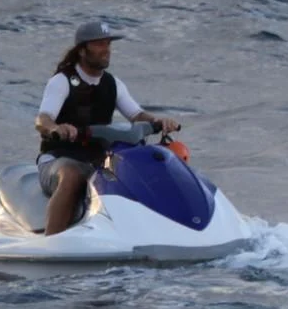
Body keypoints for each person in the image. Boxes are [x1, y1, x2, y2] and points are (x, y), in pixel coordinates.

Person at [33, 19, 180, 235]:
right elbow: (42, 119)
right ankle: (52, 241)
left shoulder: (113, 84)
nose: (107, 50)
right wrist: (56, 129)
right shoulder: (62, 81)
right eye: (99, 44)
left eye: (108, 44)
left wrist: (159, 122)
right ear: (82, 50)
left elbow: (137, 115)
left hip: (97, 161)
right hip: (57, 160)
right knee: (73, 175)